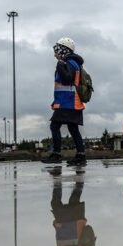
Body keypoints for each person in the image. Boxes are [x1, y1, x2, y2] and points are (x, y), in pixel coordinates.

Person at [41, 37, 87, 166]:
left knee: (54, 126)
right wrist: (55, 101)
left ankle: (56, 154)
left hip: (69, 102)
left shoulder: (70, 62)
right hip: (68, 102)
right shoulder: (70, 62)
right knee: (73, 129)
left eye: (57, 49)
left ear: (63, 50)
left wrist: (60, 64)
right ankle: (80, 155)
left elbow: (68, 79)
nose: (54, 52)